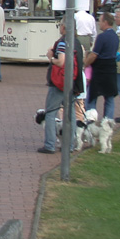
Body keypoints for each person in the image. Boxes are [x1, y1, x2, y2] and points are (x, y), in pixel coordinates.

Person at [39, 21, 82, 154]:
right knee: (70, 114)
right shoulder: (77, 42)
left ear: (63, 27)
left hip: (59, 83)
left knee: (51, 113)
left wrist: (51, 58)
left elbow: (61, 61)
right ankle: (69, 144)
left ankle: (50, 144)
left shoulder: (63, 42)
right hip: (72, 83)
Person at [84, 13, 119, 121]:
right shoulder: (115, 36)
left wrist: (86, 64)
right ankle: (108, 122)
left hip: (100, 71)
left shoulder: (102, 37)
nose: (98, 23)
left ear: (105, 22)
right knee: (109, 97)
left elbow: (94, 55)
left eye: (100, 21)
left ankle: (90, 120)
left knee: (91, 97)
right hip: (111, 69)